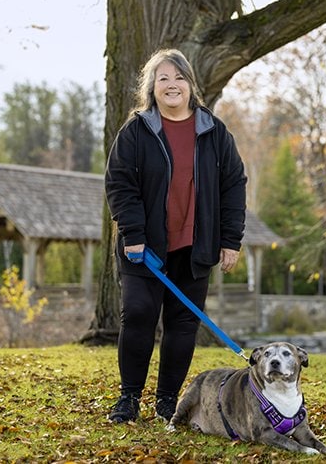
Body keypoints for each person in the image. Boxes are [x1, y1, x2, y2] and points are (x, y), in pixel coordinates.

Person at [105, 48, 247, 423]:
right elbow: (120, 184)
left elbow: (234, 185)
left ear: (190, 85)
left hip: (194, 248)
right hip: (144, 249)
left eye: (179, 77)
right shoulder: (137, 131)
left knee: (183, 325)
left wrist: (230, 240)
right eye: (163, 78)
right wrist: (132, 233)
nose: (172, 85)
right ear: (151, 87)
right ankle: (129, 398)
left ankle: (168, 401)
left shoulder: (214, 132)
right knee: (138, 313)